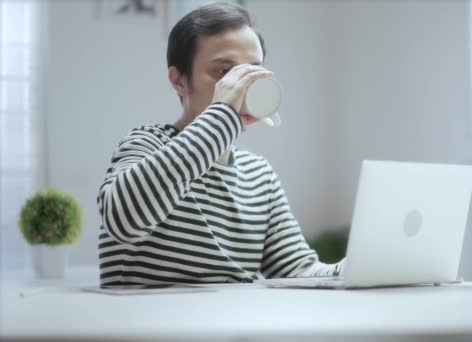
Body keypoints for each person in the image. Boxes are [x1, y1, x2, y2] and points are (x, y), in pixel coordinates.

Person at [97, 2, 344, 286]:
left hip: (232, 328)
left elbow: (298, 270)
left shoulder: (259, 176)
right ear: (178, 81)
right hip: (151, 327)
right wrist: (223, 115)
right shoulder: (146, 143)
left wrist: (351, 270)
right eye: (223, 72)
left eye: (252, 72)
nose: (239, 86)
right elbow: (121, 220)